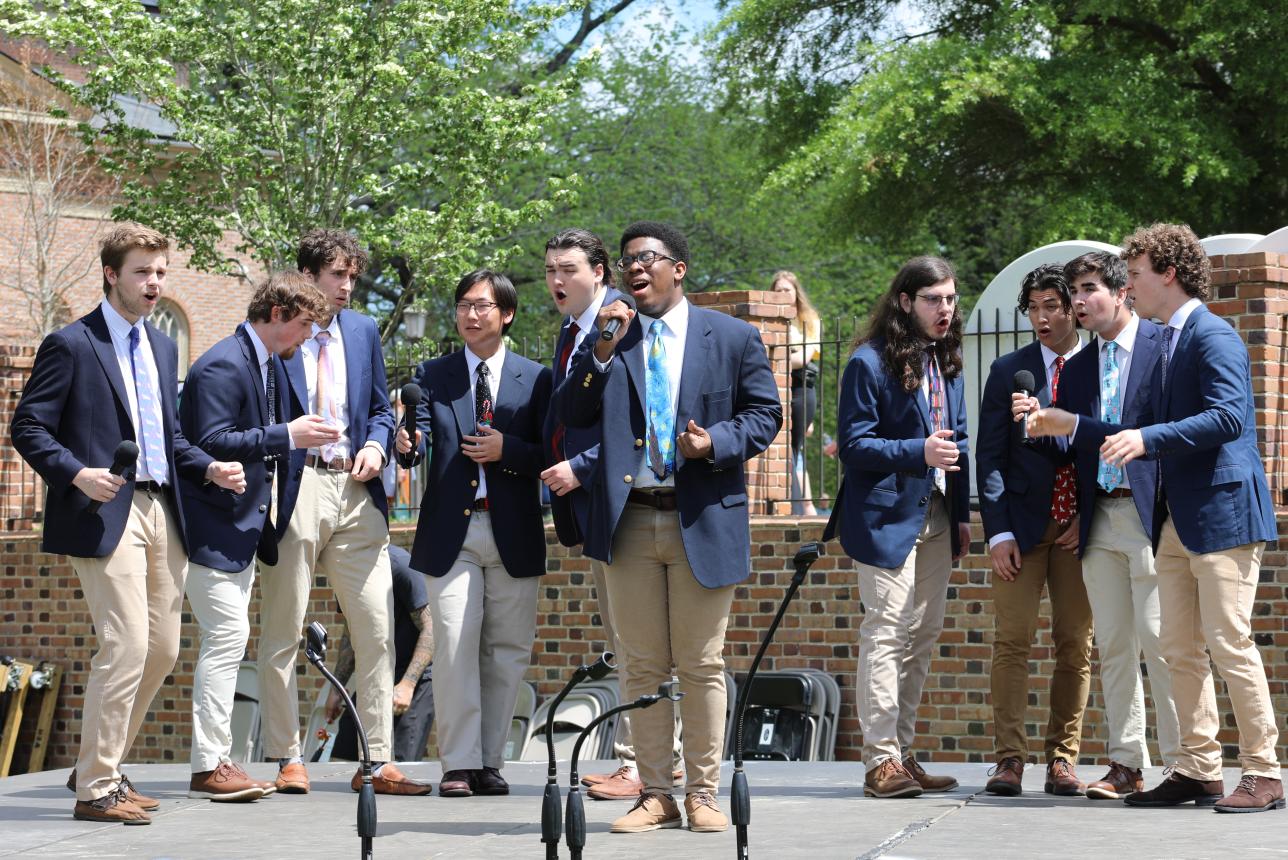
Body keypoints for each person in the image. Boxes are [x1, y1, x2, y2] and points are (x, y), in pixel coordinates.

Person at [1027, 224, 1283, 813]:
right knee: (1177, 647)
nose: (1128, 285)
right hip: (1175, 519)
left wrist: (1146, 438)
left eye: (1135, 274)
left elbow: (1227, 420)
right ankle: (1197, 769)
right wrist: (1071, 424)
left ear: (1167, 274)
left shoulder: (1211, 335)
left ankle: (1264, 772)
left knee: (1228, 643)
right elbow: (1132, 430)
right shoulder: (1169, 340)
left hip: (1223, 514)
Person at [10, 223, 245, 824]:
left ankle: (99, 761)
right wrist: (76, 474)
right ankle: (96, 788)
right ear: (112, 275)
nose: (155, 283)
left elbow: (166, 438)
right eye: (143, 272)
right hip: (102, 508)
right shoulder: (71, 343)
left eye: (162, 272)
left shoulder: (163, 347)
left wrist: (209, 466)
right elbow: (28, 428)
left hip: (162, 506)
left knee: (164, 650)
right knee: (127, 643)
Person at [556, 221, 782, 834]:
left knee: (701, 663)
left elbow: (766, 414)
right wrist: (600, 354)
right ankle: (655, 794)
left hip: (702, 517)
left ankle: (703, 793)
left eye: (646, 258)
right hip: (628, 523)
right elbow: (571, 411)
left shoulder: (731, 336)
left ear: (677, 267)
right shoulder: (609, 339)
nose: (634, 268)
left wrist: (716, 443)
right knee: (641, 665)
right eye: (626, 260)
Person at [258, 229, 426, 795]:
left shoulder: (360, 329)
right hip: (297, 485)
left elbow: (380, 406)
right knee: (283, 627)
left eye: (353, 276)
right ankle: (286, 757)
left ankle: (377, 762)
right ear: (309, 276)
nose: (349, 286)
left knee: (378, 629)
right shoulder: (281, 330)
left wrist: (379, 445)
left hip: (358, 492)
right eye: (338, 275)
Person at [539, 227, 684, 800]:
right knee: (628, 640)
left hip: (631, 502)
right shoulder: (577, 332)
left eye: (569, 269)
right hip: (595, 509)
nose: (556, 280)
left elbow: (649, 419)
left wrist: (583, 465)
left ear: (600, 272)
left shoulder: (622, 326)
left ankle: (646, 763)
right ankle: (644, 759)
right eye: (550, 269)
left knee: (645, 644)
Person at [396, 269, 551, 798]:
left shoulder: (537, 379)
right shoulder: (433, 375)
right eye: (463, 305)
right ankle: (457, 764)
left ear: (506, 314)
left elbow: (550, 456)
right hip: (452, 532)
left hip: (513, 528)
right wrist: (404, 444)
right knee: (457, 644)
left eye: (482, 306)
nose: (471, 314)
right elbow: (417, 438)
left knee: (506, 650)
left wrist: (509, 451)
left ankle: (490, 761)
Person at [179, 271, 332, 801]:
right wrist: (289, 435)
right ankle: (210, 765)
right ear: (276, 315)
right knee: (224, 640)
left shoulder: (264, 363)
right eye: (306, 324)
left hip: (239, 531)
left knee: (212, 643)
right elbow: (210, 440)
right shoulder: (224, 362)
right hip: (211, 528)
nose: (310, 335)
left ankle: (96, 768)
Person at [1036, 251, 1180, 799]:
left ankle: (1183, 762)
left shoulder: (1163, 347)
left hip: (1150, 515)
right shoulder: (1074, 369)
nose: (1078, 301)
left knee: (1161, 639)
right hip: (1100, 518)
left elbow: (1160, 430)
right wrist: (1044, 423)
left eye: (1089, 288)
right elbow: (1073, 448)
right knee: (1115, 644)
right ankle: (1126, 763)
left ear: (1121, 291)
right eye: (1073, 290)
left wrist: (1075, 424)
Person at [826, 255, 969, 799]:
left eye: (952, 299)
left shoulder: (945, 360)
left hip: (936, 515)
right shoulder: (868, 362)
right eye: (934, 299)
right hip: (884, 518)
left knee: (922, 635)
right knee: (886, 632)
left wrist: (960, 515)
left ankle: (903, 755)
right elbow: (855, 445)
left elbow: (957, 446)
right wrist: (919, 451)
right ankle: (879, 761)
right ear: (905, 302)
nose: (946, 310)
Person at [976, 264, 1093, 797]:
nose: (1042, 318)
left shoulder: (1098, 364)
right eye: (1034, 308)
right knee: (1012, 641)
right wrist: (996, 532)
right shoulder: (1009, 371)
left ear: (1074, 309)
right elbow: (991, 456)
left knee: (1075, 643)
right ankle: (1009, 759)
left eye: (1053, 306)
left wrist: (1086, 516)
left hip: (1078, 530)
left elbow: (1097, 445)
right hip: (1020, 529)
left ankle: (1063, 760)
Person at [327, 544, 436, 763]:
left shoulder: (401, 567)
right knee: (343, 757)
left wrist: (407, 684)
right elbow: (351, 633)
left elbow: (431, 628)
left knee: (401, 766)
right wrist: (336, 689)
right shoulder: (347, 575)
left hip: (414, 679)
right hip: (374, 675)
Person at [771, 270, 822, 516]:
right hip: (775, 389)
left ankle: (800, 506)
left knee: (793, 448)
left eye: (786, 290)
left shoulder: (810, 321)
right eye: (777, 290)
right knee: (786, 450)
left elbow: (804, 358)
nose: (782, 294)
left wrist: (780, 359)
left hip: (802, 389)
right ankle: (802, 508)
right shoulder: (770, 319)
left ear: (796, 293)